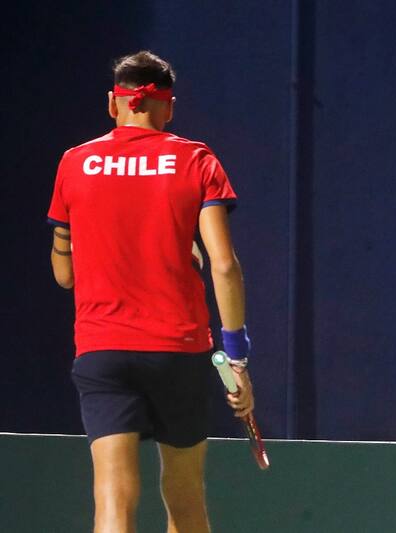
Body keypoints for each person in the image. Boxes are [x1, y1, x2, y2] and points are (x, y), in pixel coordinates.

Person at [47, 50, 255, 532]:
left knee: (113, 499)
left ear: (112, 103)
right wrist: (237, 359)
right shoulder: (196, 160)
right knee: (185, 498)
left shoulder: (74, 162)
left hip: (103, 350)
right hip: (178, 351)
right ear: (170, 107)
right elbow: (224, 265)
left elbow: (64, 274)